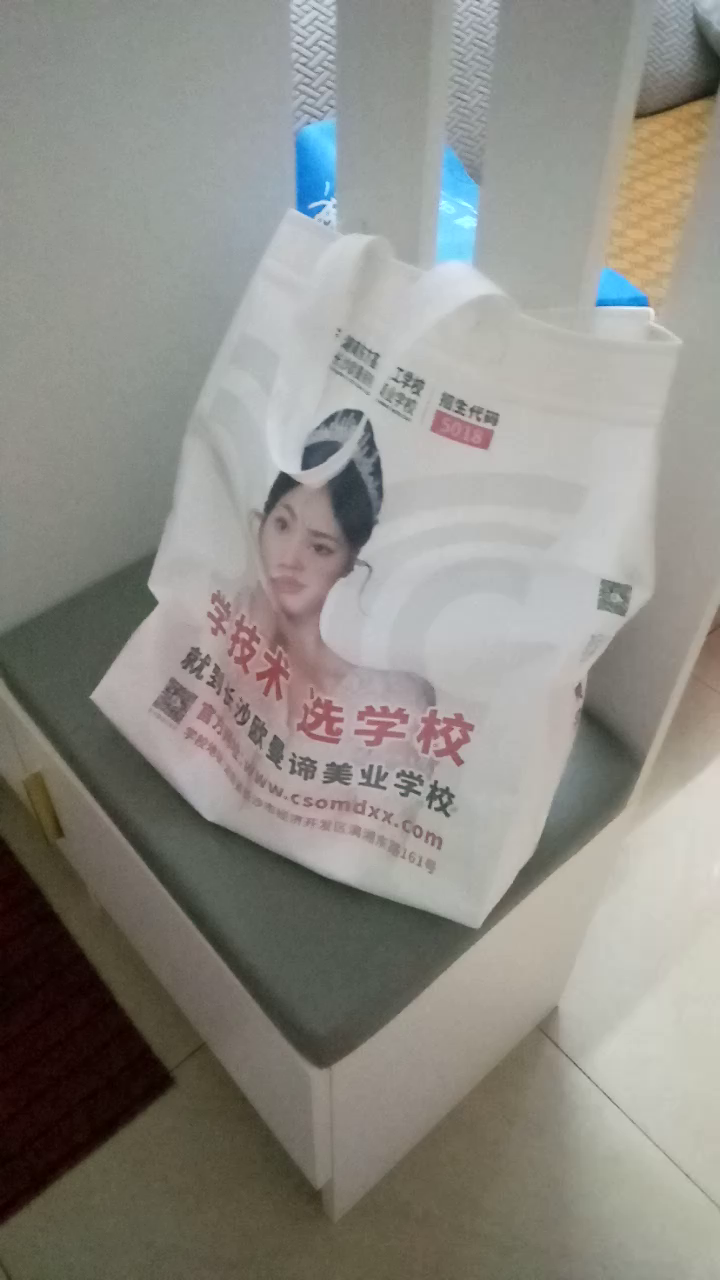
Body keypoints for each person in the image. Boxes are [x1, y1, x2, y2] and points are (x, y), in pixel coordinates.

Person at [247, 409, 433, 764]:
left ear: (350, 561)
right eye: (282, 525)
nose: (289, 558)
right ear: (261, 522)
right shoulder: (222, 629)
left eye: (320, 547)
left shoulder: (390, 703)